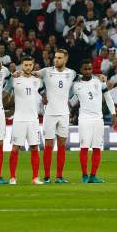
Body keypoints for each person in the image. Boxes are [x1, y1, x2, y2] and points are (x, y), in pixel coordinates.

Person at [72, 59, 117, 184]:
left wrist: (113, 113)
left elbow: (108, 97)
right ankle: (84, 175)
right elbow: (71, 102)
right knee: (84, 147)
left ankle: (93, 176)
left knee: (97, 147)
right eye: (85, 69)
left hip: (98, 119)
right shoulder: (76, 85)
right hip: (84, 119)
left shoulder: (99, 81)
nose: (88, 71)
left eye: (90, 69)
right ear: (81, 71)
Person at [38, 50, 77, 183]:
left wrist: (98, 76)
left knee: (61, 144)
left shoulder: (71, 73)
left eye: (59, 58)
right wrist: (42, 92)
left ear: (66, 59)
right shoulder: (46, 71)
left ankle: (59, 176)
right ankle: (47, 176)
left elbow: (84, 78)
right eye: (55, 57)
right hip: (49, 113)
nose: (56, 60)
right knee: (48, 144)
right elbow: (33, 76)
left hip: (64, 113)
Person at [9, 55, 43, 185]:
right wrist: (11, 76)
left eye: (30, 65)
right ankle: (12, 177)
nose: (28, 67)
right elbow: (5, 88)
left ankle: (35, 177)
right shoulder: (15, 79)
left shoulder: (37, 80)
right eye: (25, 65)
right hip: (19, 119)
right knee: (15, 148)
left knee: (34, 147)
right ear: (21, 66)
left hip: (33, 119)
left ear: (33, 65)